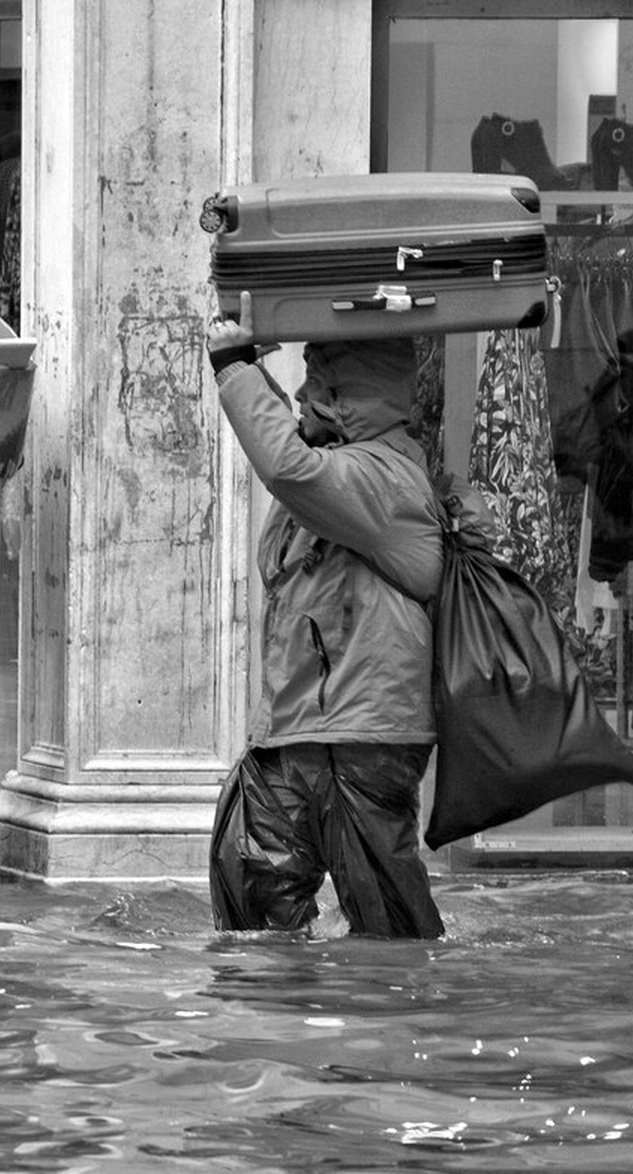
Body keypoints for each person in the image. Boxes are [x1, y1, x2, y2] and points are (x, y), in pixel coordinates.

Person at [203, 318, 446, 939]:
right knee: (249, 891)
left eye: (320, 384)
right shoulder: (339, 469)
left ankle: (404, 1023)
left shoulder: (385, 477)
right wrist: (253, 371)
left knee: (387, 929)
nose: (306, 396)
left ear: (351, 400)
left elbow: (287, 467)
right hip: (294, 731)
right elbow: (296, 452)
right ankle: (288, 1024)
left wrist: (234, 371)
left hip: (363, 736)